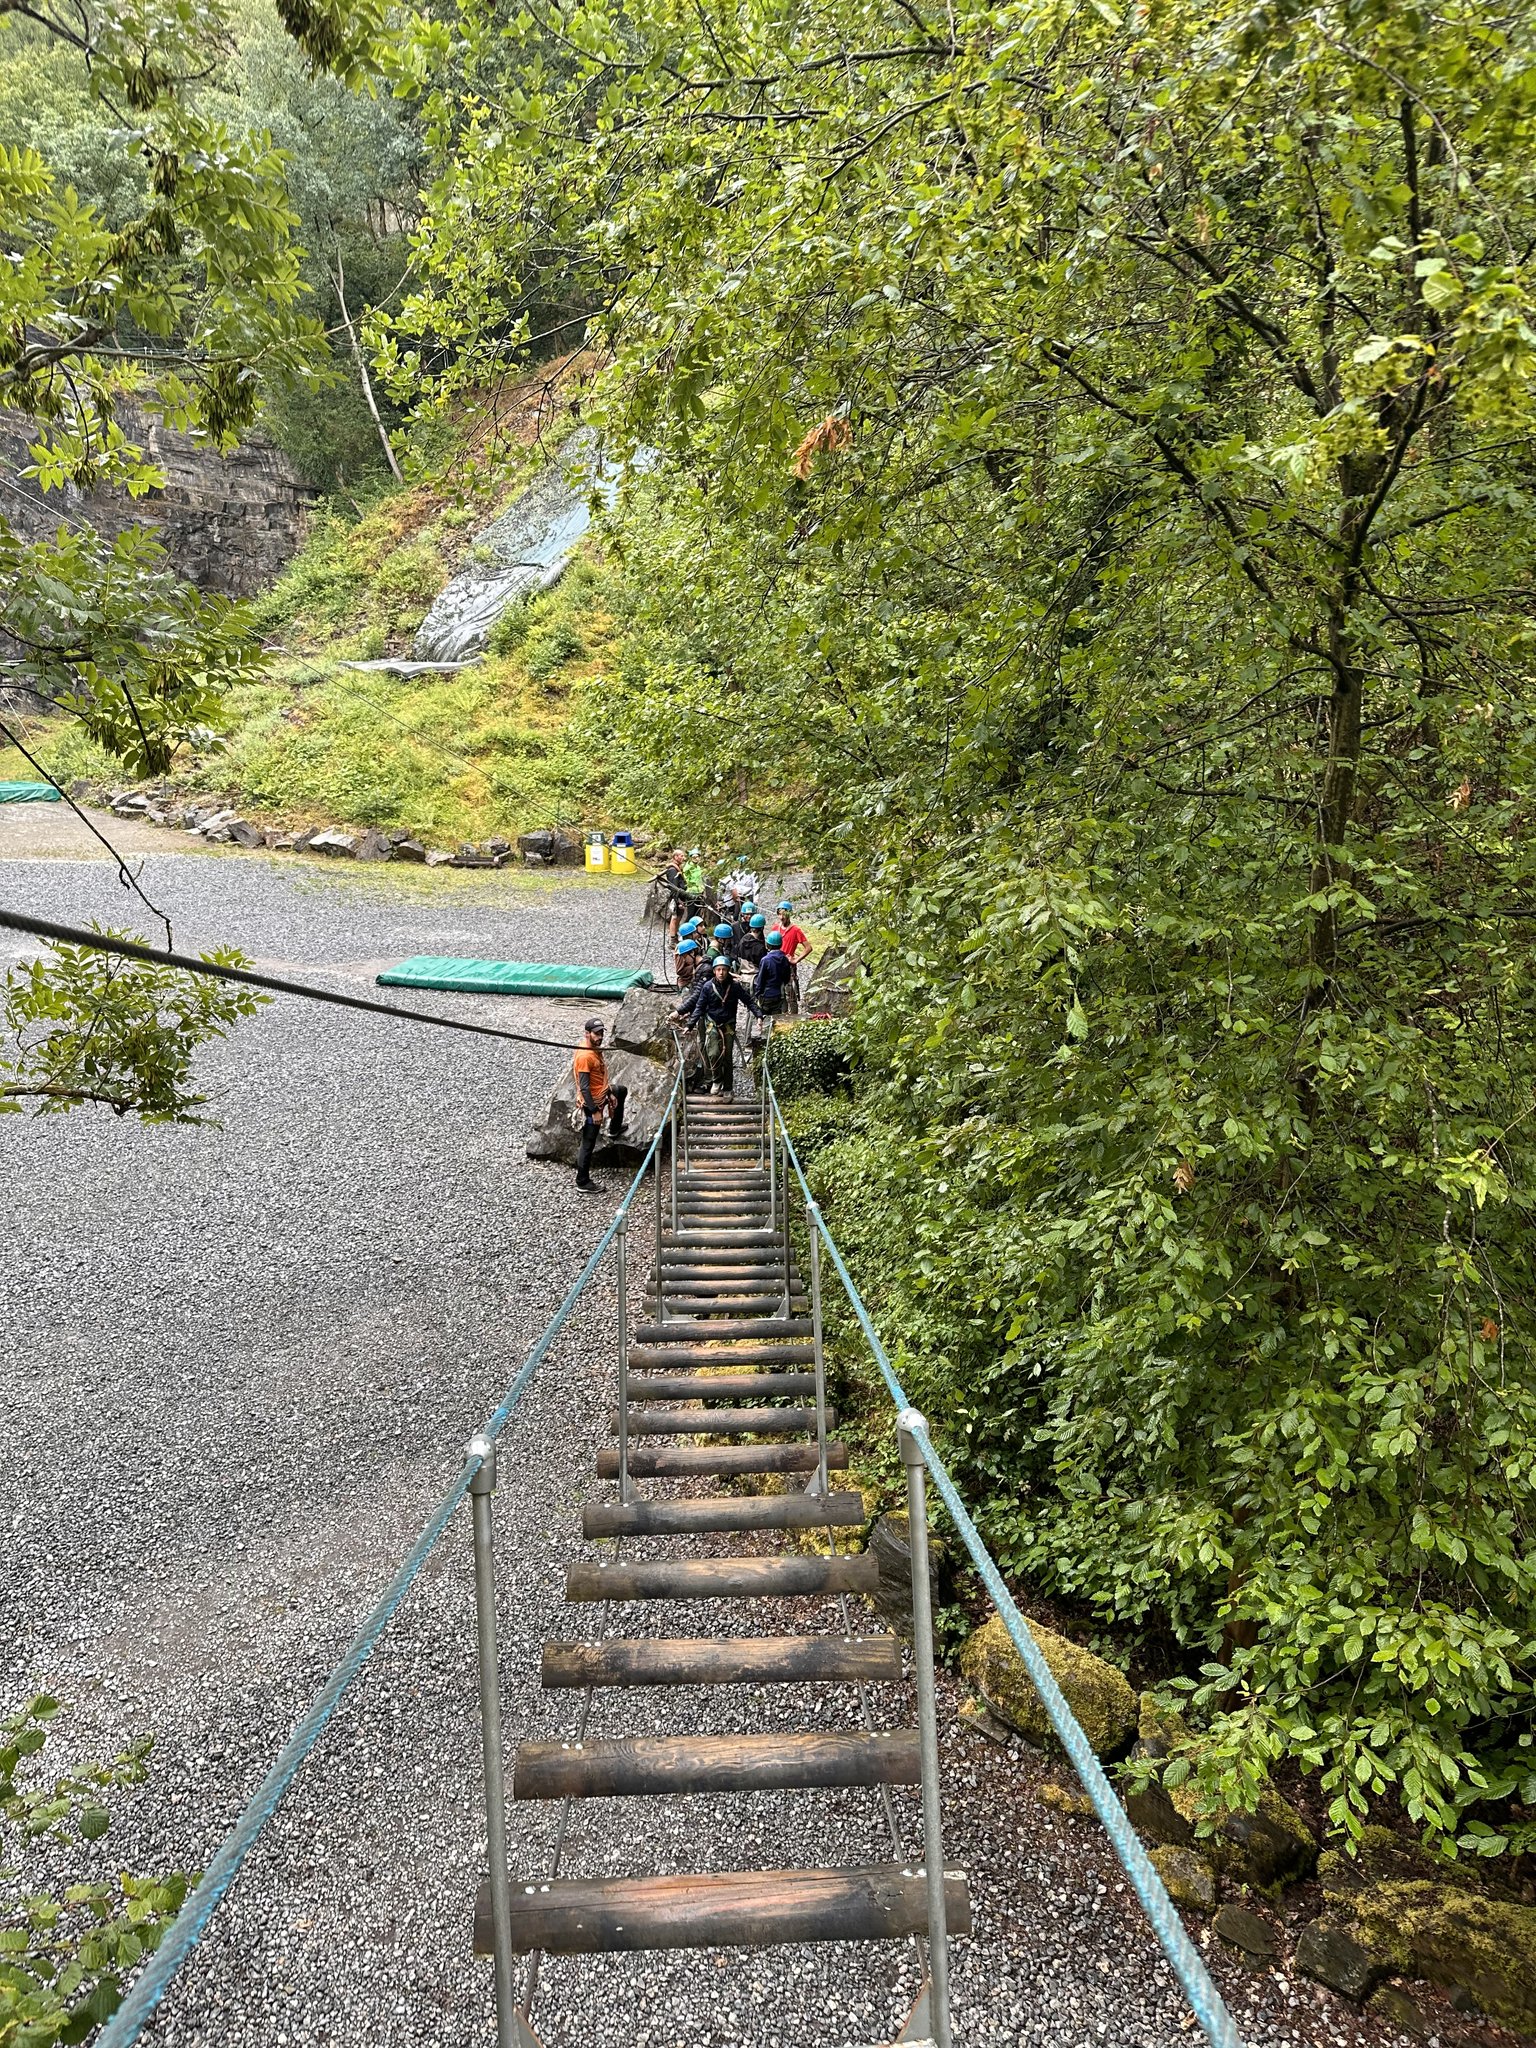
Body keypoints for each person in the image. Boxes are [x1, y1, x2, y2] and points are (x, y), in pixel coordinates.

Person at [675, 954, 763, 1094]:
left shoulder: (734, 987)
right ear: (714, 971)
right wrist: (690, 1025)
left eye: (724, 969)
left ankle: (728, 1087)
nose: (721, 973)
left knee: (727, 1056)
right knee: (713, 1053)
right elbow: (699, 1006)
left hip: (728, 1025)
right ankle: (717, 1079)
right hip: (712, 1024)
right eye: (718, 970)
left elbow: (749, 1001)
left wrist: (758, 1015)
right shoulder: (708, 987)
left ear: (728, 970)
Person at [572, 1018, 627, 1189]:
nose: (600, 1036)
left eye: (602, 1033)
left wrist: (609, 1093)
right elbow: (585, 1088)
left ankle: (614, 1128)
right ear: (587, 1034)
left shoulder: (593, 1048)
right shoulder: (585, 1056)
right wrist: (595, 1111)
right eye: (597, 1033)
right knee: (589, 1141)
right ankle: (582, 1181)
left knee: (620, 1090)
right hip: (592, 1101)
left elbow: (598, 1078)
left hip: (601, 1093)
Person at [772, 899, 813, 1012]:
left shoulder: (795, 930)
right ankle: (782, 1017)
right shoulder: (775, 928)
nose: (781, 917)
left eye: (784, 915)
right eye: (780, 914)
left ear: (789, 915)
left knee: (791, 995)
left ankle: (793, 1018)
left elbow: (808, 947)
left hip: (788, 967)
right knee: (779, 995)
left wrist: (796, 959)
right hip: (776, 965)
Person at [754, 929, 795, 1026]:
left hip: (766, 995)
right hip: (779, 995)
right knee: (775, 1021)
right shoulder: (784, 959)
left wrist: (757, 994)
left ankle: (764, 1038)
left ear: (768, 945)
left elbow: (761, 979)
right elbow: (786, 978)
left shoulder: (765, 960)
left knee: (764, 1020)